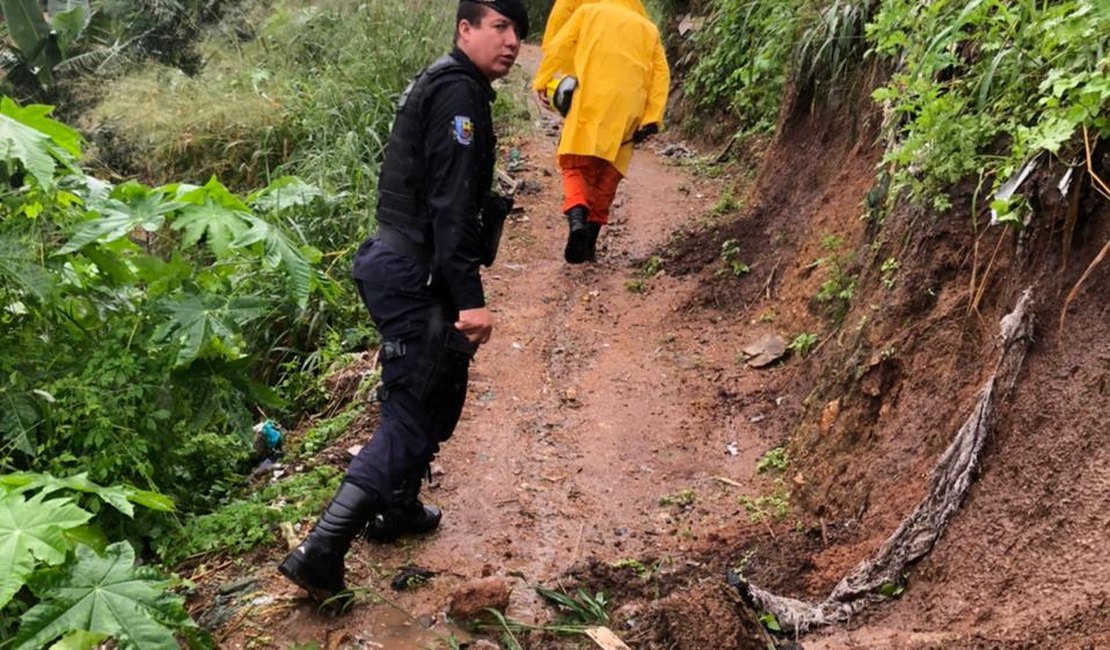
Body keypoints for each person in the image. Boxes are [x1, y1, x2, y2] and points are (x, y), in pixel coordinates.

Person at [278, 0, 528, 602]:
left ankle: (398, 510)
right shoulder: (459, 95)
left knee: (428, 388)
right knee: (414, 411)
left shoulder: (450, 82)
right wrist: (471, 301)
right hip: (416, 269)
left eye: (520, 30)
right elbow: (450, 207)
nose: (513, 41)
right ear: (465, 29)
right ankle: (321, 550)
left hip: (401, 263)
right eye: (499, 26)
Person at [532, 2, 669, 264]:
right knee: (608, 174)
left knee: (576, 166)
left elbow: (559, 45)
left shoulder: (588, 13)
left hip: (590, 103)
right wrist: (652, 117)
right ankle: (590, 242)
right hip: (628, 111)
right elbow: (661, 75)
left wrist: (543, 79)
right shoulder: (648, 29)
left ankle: (576, 219)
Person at [539, 0, 647, 51]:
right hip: (618, 63)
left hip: (580, 63)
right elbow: (647, 34)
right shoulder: (633, 3)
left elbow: (559, 18)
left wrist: (545, 75)